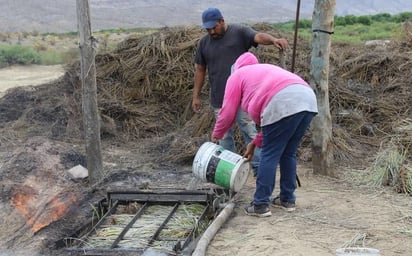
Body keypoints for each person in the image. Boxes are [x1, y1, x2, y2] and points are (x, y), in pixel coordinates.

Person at [211, 52, 318, 217]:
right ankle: (287, 199)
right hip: (308, 100)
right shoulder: (264, 72)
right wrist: (254, 144)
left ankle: (260, 204)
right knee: (288, 152)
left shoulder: (237, 75)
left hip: (282, 102)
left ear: (236, 67)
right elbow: (272, 128)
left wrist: (216, 134)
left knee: (270, 154)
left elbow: (227, 113)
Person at [192, 7, 288, 175]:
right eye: (207, 29)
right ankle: (230, 172)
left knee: (250, 132)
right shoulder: (204, 43)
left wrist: (273, 40)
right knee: (224, 137)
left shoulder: (239, 32)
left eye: (214, 27)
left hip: (244, 99)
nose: (211, 31)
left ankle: (258, 169)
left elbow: (257, 37)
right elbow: (200, 69)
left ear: (222, 21)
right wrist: (196, 96)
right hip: (219, 98)